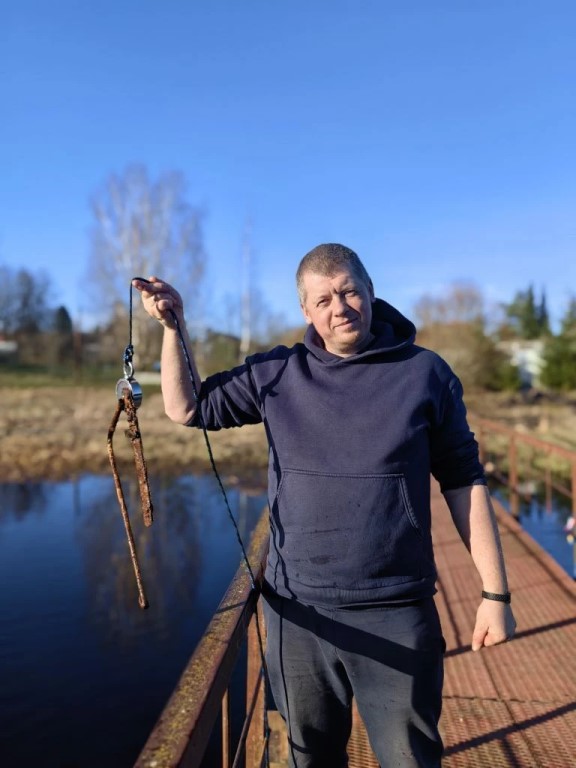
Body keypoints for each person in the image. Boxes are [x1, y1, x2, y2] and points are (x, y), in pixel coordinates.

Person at [134, 243, 516, 768]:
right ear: (306, 310)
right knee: (309, 758)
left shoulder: (426, 373)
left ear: (370, 291)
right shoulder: (278, 372)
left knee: (410, 759)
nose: (339, 308)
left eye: (348, 291)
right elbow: (187, 408)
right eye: (322, 300)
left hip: (396, 610)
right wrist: (173, 327)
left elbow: (464, 482)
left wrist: (495, 593)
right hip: (297, 615)